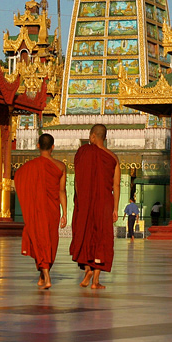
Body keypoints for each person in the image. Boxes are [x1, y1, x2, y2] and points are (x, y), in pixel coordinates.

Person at [69, 123, 119, 289]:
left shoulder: (83, 152)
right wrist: (116, 209)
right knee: (102, 238)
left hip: (85, 201)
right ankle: (96, 281)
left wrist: (79, 200)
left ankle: (87, 270)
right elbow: (116, 186)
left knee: (86, 234)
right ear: (104, 138)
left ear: (92, 136)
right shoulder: (112, 157)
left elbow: (77, 180)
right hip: (105, 202)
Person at [15, 133, 67, 289]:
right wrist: (65, 213)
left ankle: (47, 277)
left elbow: (19, 180)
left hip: (37, 210)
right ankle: (42, 276)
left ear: (38, 146)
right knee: (49, 242)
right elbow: (62, 191)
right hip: (52, 210)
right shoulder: (60, 166)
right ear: (53, 147)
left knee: (40, 240)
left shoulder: (29, 167)